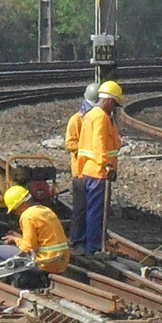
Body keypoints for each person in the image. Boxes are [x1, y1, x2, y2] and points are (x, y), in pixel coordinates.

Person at [72, 80, 123, 257]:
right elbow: (99, 143)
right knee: (96, 211)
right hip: (98, 171)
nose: (114, 108)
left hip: (88, 169)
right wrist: (107, 165)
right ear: (109, 100)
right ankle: (93, 247)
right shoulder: (101, 116)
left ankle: (88, 243)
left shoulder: (91, 115)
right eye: (114, 104)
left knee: (90, 209)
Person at [0, 185, 70, 287]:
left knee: (0, 250)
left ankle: (23, 280)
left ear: (22, 205)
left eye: (15, 210)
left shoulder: (27, 216)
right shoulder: (45, 210)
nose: (16, 213)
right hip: (62, 261)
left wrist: (15, 240)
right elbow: (43, 241)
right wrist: (20, 238)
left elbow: (28, 247)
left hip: (45, 263)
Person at [65, 83, 97, 257]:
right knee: (80, 208)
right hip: (79, 172)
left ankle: (89, 240)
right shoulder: (76, 120)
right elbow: (69, 143)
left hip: (92, 171)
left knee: (91, 208)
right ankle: (77, 240)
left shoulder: (95, 119)